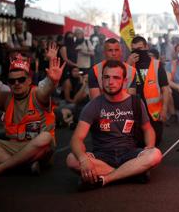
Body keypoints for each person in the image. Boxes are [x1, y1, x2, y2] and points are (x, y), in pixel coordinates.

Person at [66, 60, 162, 189]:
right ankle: (131, 173)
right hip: (102, 155)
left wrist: (149, 146)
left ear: (124, 80)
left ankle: (106, 178)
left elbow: (148, 129)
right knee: (72, 159)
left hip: (129, 153)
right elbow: (76, 139)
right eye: (106, 77)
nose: (110, 82)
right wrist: (83, 159)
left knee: (155, 154)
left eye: (116, 77)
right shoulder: (93, 105)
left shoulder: (136, 102)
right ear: (102, 79)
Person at [0, 55, 64, 175]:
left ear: (29, 80)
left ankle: (2, 167)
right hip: (14, 147)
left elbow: (46, 91)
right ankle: (24, 166)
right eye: (12, 81)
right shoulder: (6, 97)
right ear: (8, 83)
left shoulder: (37, 94)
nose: (17, 83)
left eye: (21, 80)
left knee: (45, 137)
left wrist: (53, 82)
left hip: (39, 149)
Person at [129, 36, 171, 146]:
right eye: (134, 49)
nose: (137, 52)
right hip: (135, 111)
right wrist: (128, 65)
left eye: (140, 48)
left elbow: (165, 89)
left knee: (155, 141)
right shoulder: (129, 64)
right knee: (138, 143)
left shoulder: (156, 64)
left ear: (146, 47)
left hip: (154, 112)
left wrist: (164, 109)